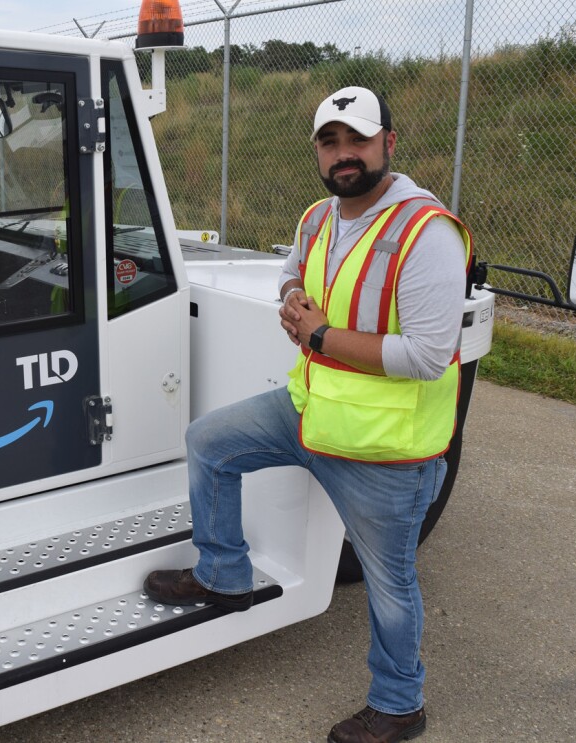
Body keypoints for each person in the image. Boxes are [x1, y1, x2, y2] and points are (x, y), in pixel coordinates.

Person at [144, 86, 471, 743]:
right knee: (208, 442)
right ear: (318, 153)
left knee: (389, 585)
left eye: (357, 139)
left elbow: (429, 356)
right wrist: (292, 296)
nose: (343, 154)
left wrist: (319, 336)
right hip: (308, 409)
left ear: (387, 144)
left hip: (383, 448)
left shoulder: (425, 232)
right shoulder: (319, 217)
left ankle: (400, 703)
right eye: (330, 142)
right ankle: (223, 575)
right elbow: (291, 273)